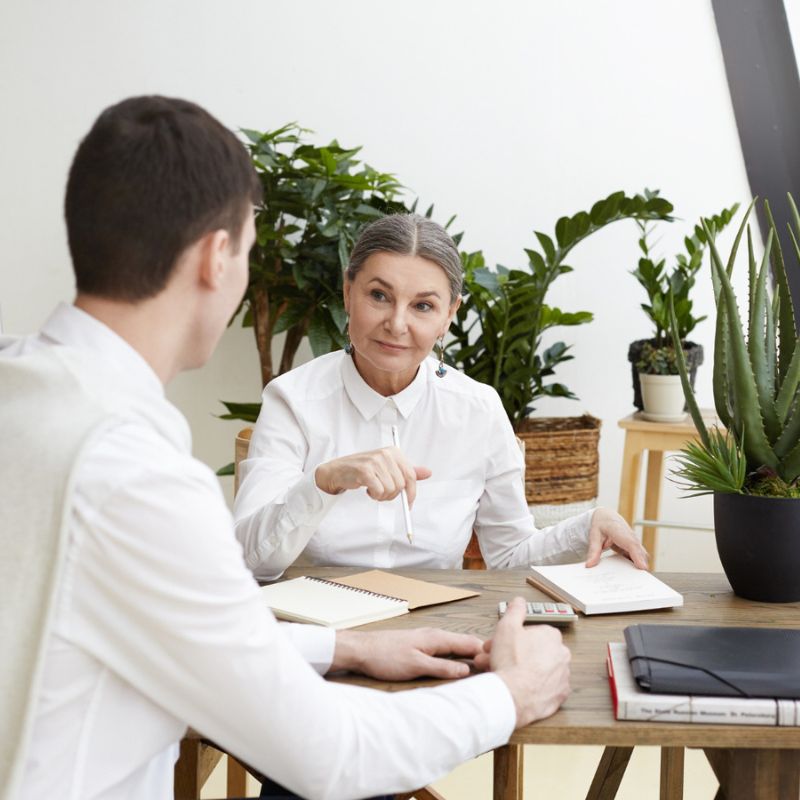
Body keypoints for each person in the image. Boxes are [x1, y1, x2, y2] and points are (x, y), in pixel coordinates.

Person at [0, 95, 572, 800]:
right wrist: (512, 693)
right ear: (218, 257)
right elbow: (329, 755)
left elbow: (203, 634)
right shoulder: (135, 474)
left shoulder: (20, 392)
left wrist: (346, 645)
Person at [233, 214, 649, 581]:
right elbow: (250, 560)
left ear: (449, 315)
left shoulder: (478, 410)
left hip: (434, 630)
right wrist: (324, 480)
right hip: (319, 632)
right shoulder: (293, 399)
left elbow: (509, 555)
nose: (396, 324)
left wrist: (592, 524)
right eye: (378, 296)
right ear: (347, 294)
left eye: (423, 306)